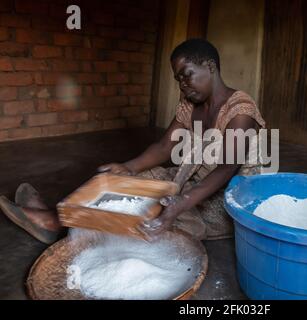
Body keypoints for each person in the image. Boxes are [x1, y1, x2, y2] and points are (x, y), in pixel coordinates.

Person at [0, 39, 266, 244]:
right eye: (178, 79)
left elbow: (226, 168)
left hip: (229, 199)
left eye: (187, 74)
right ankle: (62, 217)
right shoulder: (191, 104)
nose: (183, 85)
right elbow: (164, 146)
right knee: (131, 182)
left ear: (210, 66)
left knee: (161, 211)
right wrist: (128, 168)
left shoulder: (239, 110)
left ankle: (59, 225)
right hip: (196, 179)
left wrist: (182, 201)